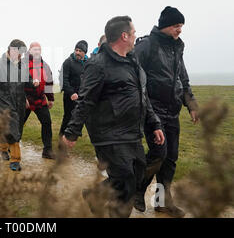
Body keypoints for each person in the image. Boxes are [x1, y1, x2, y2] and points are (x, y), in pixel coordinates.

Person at [62, 16, 164, 218]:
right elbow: (86, 100)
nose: (136, 36)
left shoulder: (133, 62)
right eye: (133, 33)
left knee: (135, 175)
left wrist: (154, 124)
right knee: (125, 184)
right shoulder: (98, 65)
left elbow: (143, 96)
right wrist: (72, 132)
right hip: (109, 134)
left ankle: (95, 195)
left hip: (132, 132)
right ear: (124, 36)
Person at [133, 6, 199, 218]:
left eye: (181, 26)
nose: (180, 30)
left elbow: (183, 79)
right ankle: (136, 189)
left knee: (170, 160)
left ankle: (162, 202)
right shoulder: (146, 46)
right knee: (158, 154)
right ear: (164, 26)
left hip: (172, 112)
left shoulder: (177, 48)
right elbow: (134, 78)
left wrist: (192, 105)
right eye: (176, 26)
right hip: (153, 112)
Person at [0, 39, 37, 171]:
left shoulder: (22, 65)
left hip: (19, 101)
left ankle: (3, 148)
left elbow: (26, 81)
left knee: (15, 128)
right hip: (4, 101)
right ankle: (15, 160)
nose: (21, 56)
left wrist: (33, 82)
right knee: (13, 128)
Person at [23, 42, 55, 159]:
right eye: (34, 49)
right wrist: (23, 98)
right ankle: (12, 147)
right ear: (30, 50)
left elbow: (49, 83)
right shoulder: (22, 64)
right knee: (18, 124)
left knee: (47, 122)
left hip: (40, 99)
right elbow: (17, 84)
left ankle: (47, 150)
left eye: (39, 50)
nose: (37, 52)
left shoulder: (45, 65)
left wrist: (50, 98)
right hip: (26, 99)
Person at [58, 40, 88, 153]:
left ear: (85, 52)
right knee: (67, 120)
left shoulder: (88, 63)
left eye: (80, 50)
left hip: (83, 97)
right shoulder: (68, 62)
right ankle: (61, 147)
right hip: (70, 97)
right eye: (76, 50)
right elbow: (64, 80)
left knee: (79, 120)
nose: (77, 52)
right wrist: (71, 93)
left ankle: (70, 143)